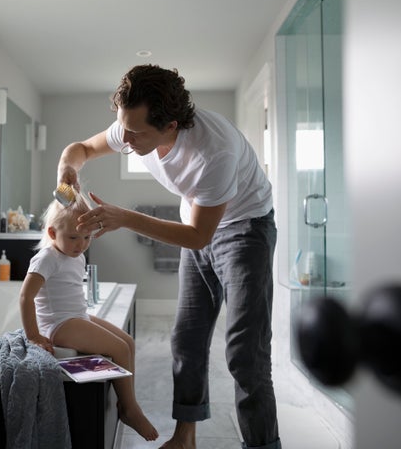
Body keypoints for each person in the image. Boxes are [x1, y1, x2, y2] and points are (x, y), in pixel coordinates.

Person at [55, 64, 281, 449]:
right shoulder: (131, 127)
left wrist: (124, 217)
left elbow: (198, 237)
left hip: (246, 229)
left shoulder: (215, 152)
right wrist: (67, 168)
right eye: (122, 128)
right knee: (186, 340)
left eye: (137, 134)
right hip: (200, 224)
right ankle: (185, 438)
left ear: (171, 125)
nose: (125, 140)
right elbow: (82, 149)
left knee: (246, 352)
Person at [19, 190, 159, 442]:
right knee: (118, 348)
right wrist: (34, 335)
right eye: (73, 237)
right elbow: (25, 297)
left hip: (76, 316)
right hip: (59, 324)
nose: (81, 244)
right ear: (52, 233)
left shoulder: (76, 255)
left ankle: (127, 402)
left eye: (87, 237)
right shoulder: (47, 258)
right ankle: (129, 408)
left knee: (127, 342)